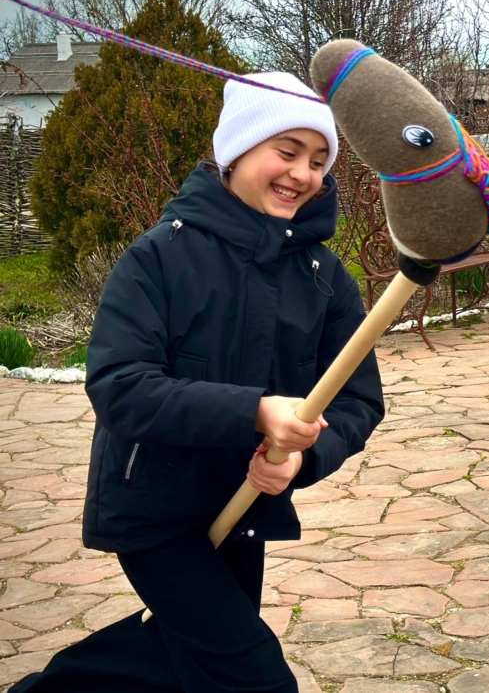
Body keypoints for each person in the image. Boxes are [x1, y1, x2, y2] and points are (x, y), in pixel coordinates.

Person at [11, 73, 385, 693]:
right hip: (154, 511)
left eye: (319, 160)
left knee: (176, 656)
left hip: (241, 508)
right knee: (254, 679)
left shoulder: (322, 276)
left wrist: (305, 457)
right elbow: (119, 384)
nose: (303, 173)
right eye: (286, 151)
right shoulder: (159, 257)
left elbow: (359, 400)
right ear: (234, 151)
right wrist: (255, 413)